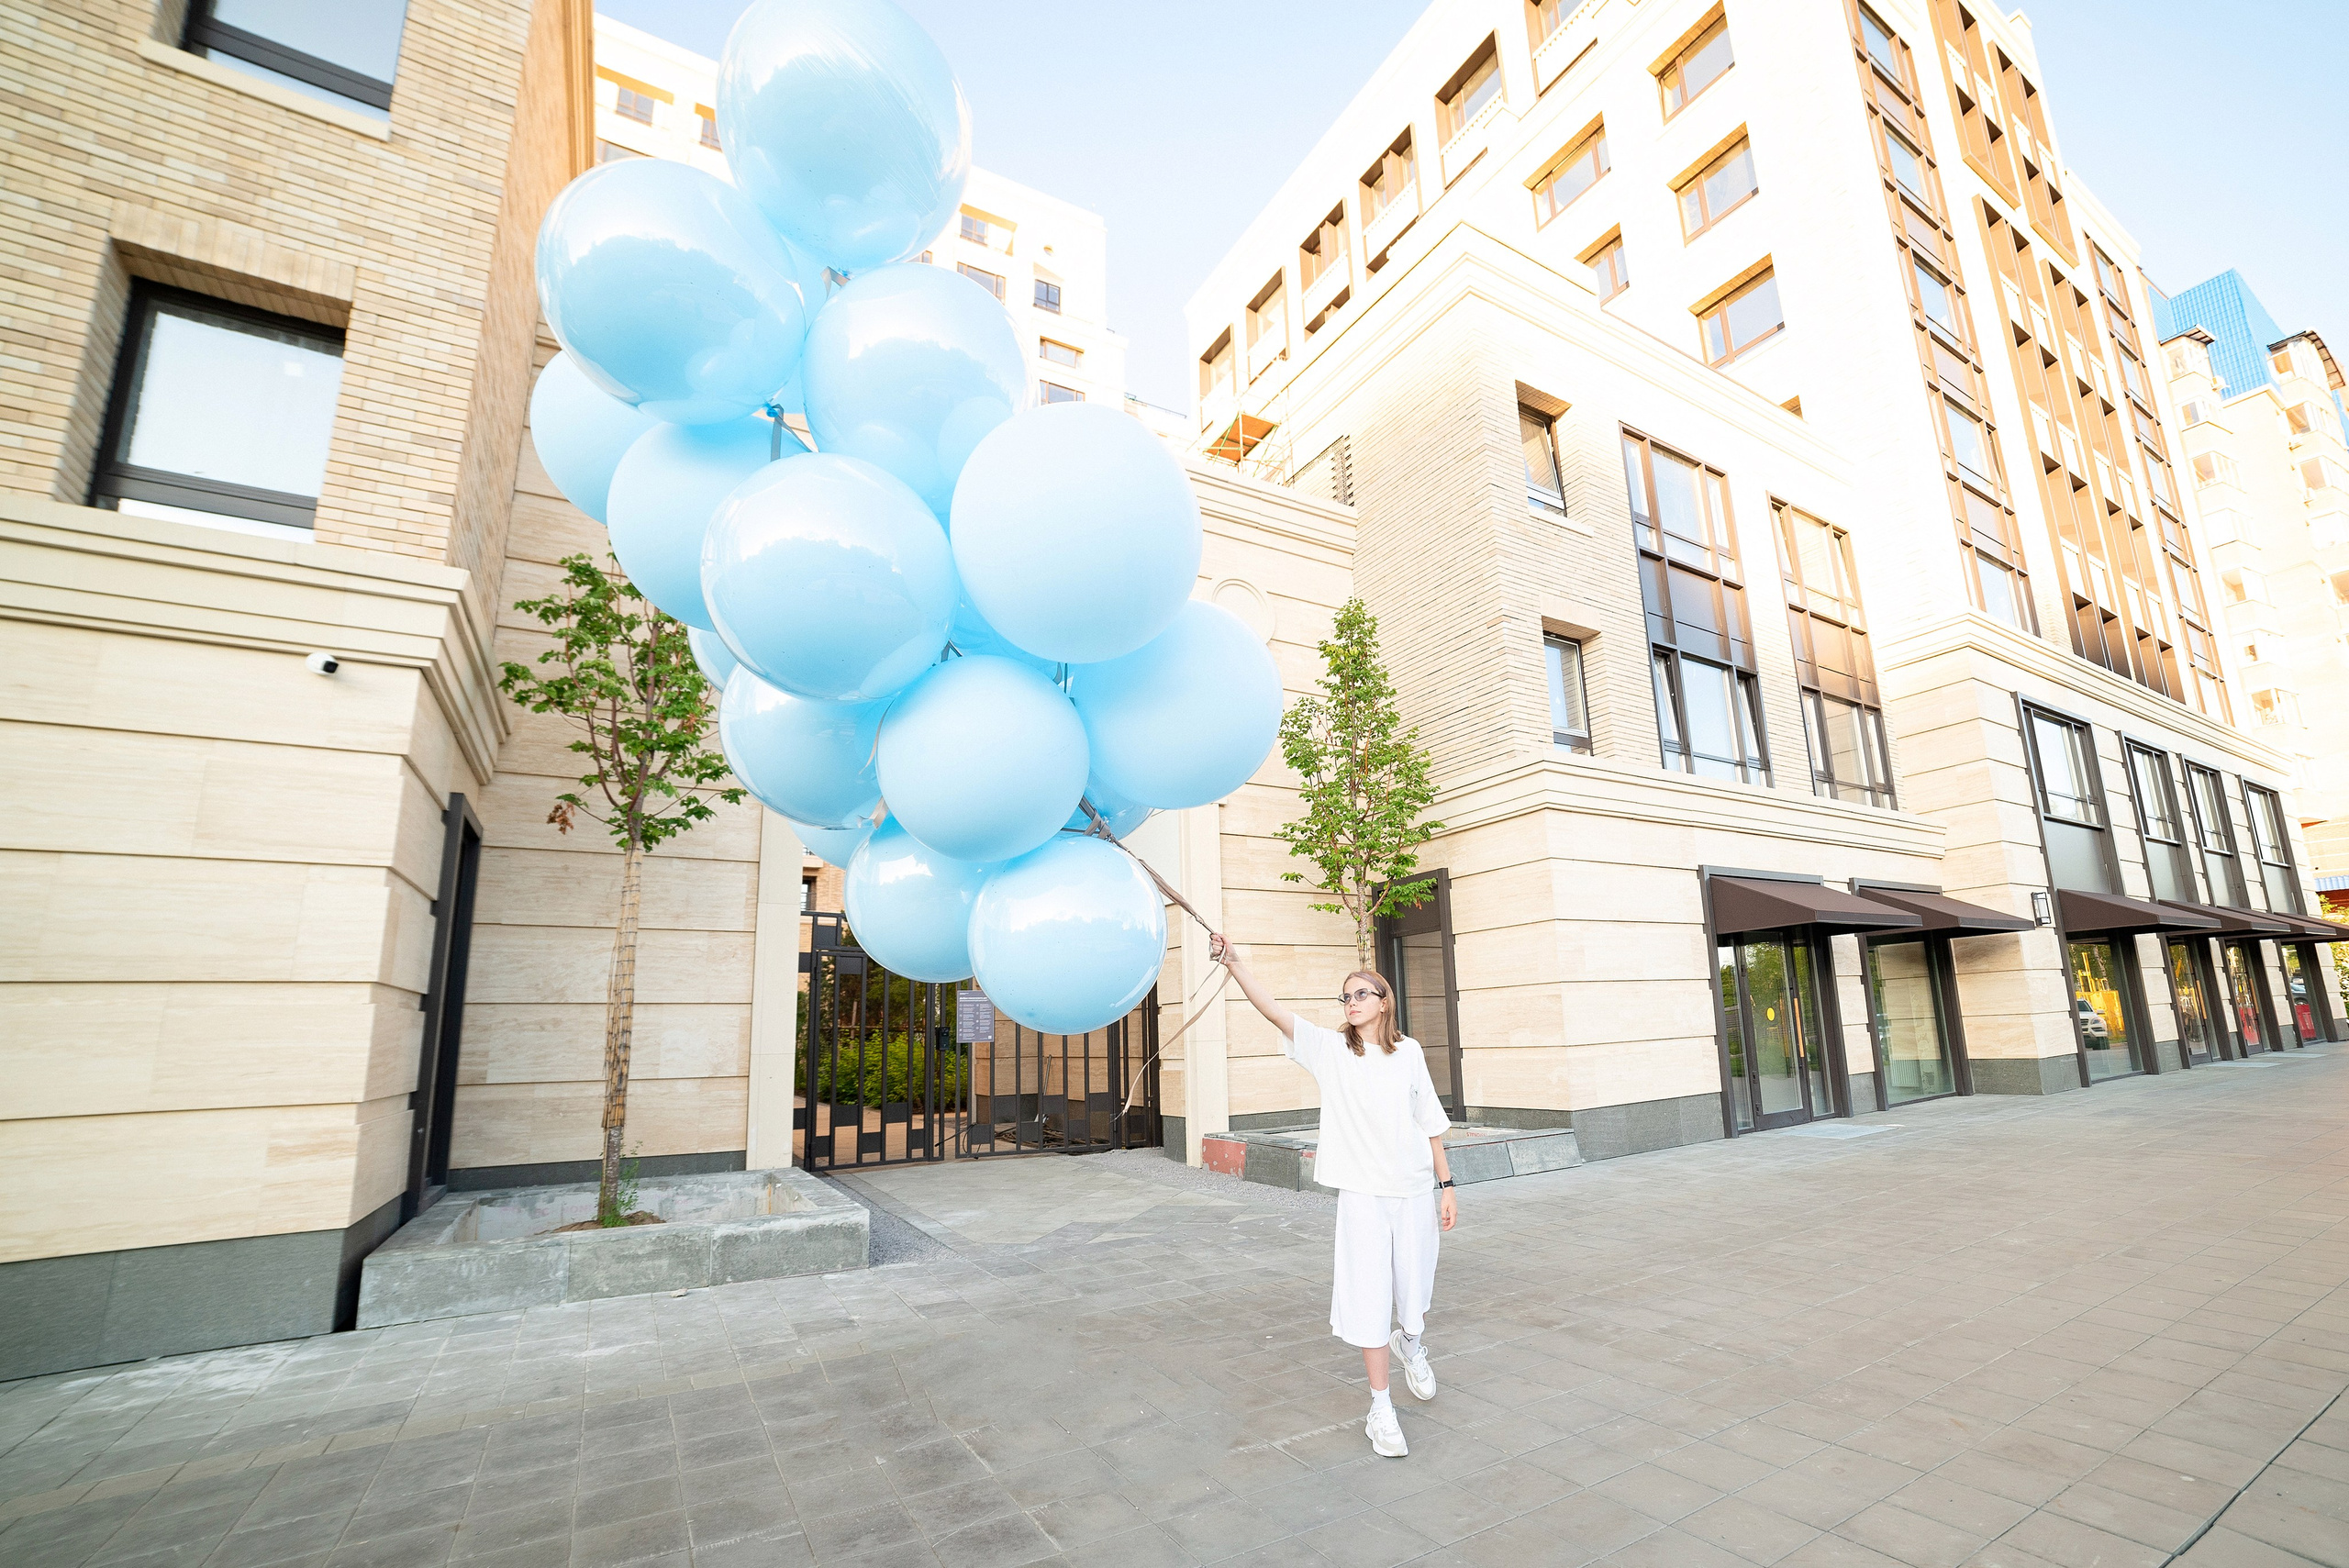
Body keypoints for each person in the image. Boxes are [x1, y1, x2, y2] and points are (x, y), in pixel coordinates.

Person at [1211, 934, 1456, 1458]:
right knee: (1368, 1296)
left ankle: (1411, 1343)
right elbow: (1274, 1012)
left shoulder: (1409, 1053)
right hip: (1363, 1197)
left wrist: (1447, 1184)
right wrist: (1236, 964)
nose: (1352, 1003)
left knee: (1414, 1294)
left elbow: (1429, 1119)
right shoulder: (1330, 1050)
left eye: (1361, 994)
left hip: (1413, 1190)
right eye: (1345, 996)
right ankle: (1380, 1408)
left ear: (1384, 1000)